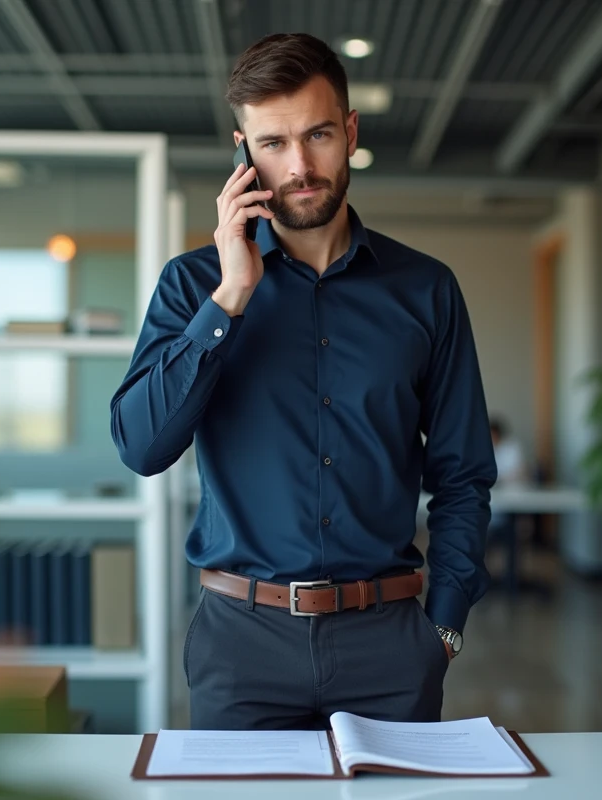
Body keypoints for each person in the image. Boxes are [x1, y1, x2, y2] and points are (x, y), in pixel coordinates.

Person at [110, 32, 496, 731]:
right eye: (273, 143)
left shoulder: (427, 290)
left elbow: (463, 474)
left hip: (389, 647)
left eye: (317, 135)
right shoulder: (193, 286)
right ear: (243, 153)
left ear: (350, 133)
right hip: (241, 646)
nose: (299, 165)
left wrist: (444, 625)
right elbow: (142, 448)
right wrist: (230, 298)